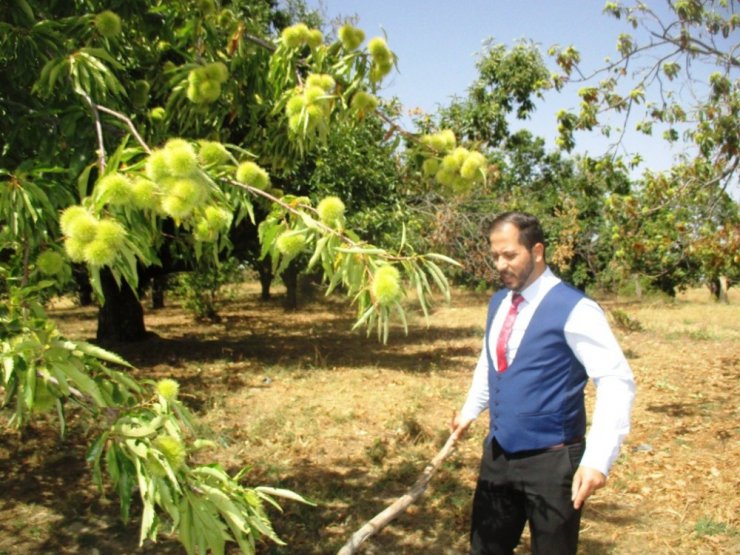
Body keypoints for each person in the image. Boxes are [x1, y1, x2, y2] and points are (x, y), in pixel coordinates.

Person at [450, 211, 636, 555]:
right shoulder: (499, 303)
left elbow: (615, 381)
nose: (500, 265)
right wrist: (471, 409)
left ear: (537, 252)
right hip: (499, 452)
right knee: (485, 548)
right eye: (495, 256)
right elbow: (490, 358)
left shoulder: (575, 308)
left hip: (553, 462)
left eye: (510, 255)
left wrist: (598, 458)